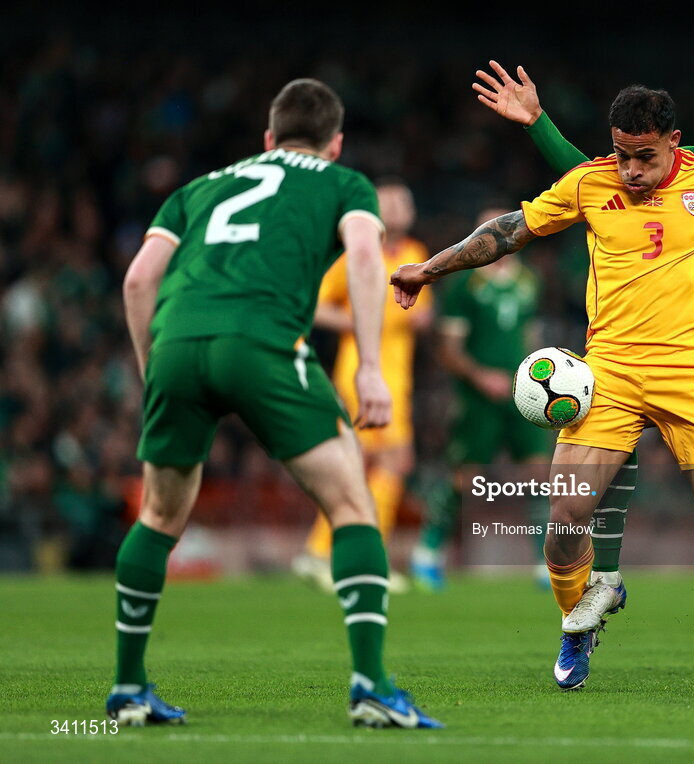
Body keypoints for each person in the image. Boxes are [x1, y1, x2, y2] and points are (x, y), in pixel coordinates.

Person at [392, 84, 694, 693]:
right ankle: (578, 626)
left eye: (644, 158)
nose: (630, 171)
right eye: (622, 155)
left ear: (673, 144)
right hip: (611, 374)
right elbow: (509, 230)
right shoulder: (590, 183)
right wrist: (429, 268)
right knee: (564, 519)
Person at [110, 79, 441, 729]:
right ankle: (371, 685)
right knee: (353, 503)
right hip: (261, 342)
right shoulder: (344, 184)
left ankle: (127, 689)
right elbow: (368, 257)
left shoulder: (197, 188)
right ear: (336, 144)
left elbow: (138, 279)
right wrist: (370, 366)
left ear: (267, 138)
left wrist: (155, 370)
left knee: (157, 515)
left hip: (178, 340)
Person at [295, 179, 433, 594]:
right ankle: (367, 560)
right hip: (364, 373)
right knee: (393, 462)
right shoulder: (359, 254)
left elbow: (421, 314)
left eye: (402, 202)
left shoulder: (414, 253)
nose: (395, 209)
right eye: (387, 202)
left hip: (396, 376)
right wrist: (358, 323)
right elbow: (315, 305)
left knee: (363, 467)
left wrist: (420, 317)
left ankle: (322, 552)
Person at [409, 206, 551, 592]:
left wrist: (538, 378)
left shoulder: (528, 280)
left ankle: (546, 563)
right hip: (477, 398)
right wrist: (481, 376)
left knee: (538, 475)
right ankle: (427, 552)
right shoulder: (463, 285)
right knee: (467, 478)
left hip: (523, 396)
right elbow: (448, 349)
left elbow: (529, 338)